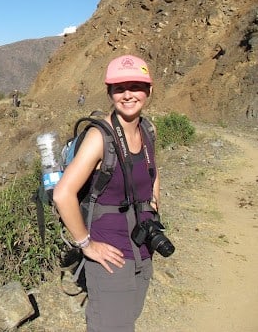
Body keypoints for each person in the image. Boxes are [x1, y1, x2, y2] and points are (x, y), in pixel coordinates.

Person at [53, 55, 160, 332]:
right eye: (119, 88)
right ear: (109, 93)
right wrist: (86, 244)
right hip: (110, 251)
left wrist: (154, 209)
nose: (127, 94)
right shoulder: (100, 137)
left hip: (143, 245)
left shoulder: (148, 129)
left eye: (136, 86)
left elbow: (152, 171)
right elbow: (63, 194)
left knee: (129, 316)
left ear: (149, 90)